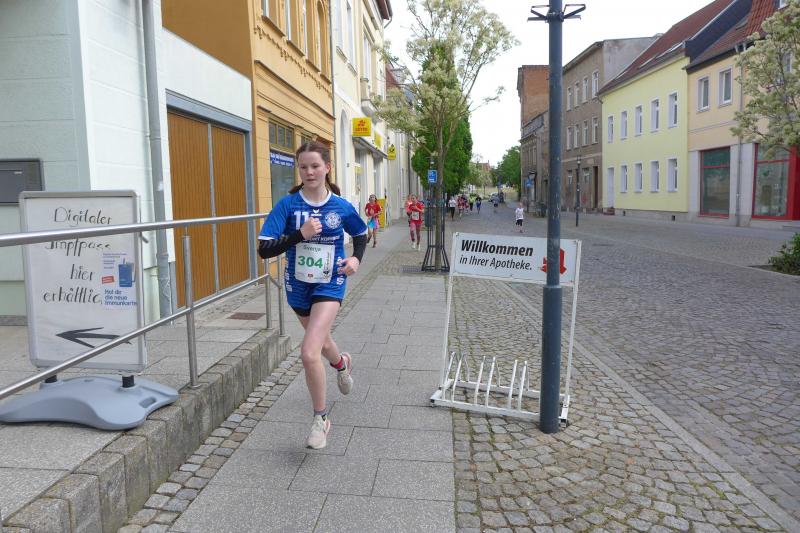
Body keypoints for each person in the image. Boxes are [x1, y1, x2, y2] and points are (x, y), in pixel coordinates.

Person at [257, 141, 367, 450]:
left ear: (327, 168)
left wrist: (356, 259)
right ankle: (342, 364)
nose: (309, 172)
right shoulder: (288, 206)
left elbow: (360, 234)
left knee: (308, 352)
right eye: (303, 166)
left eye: (315, 166)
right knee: (322, 341)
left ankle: (321, 420)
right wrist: (299, 235)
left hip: (330, 282)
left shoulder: (340, 206)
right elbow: (264, 250)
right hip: (298, 286)